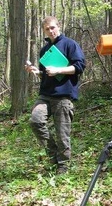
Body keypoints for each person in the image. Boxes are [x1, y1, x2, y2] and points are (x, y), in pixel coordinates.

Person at [25, 16, 86, 174]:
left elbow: (79, 66)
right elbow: (46, 74)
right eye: (47, 29)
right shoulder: (45, 50)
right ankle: (53, 156)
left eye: (53, 27)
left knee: (62, 134)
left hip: (64, 96)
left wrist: (59, 70)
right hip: (45, 95)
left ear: (59, 27)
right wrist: (36, 72)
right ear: (44, 31)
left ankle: (63, 167)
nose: (51, 31)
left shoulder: (69, 44)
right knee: (35, 121)